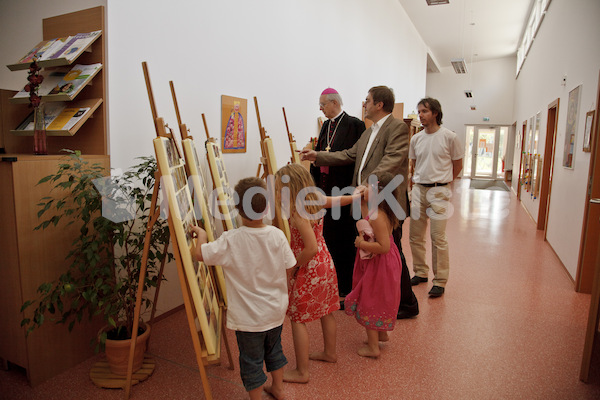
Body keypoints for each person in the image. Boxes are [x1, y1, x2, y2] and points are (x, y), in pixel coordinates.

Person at [300, 85, 419, 319]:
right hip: (367, 201)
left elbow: (392, 160)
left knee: (392, 251)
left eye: (367, 100)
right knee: (372, 254)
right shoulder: (368, 131)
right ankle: (371, 298)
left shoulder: (396, 128)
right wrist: (318, 156)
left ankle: (407, 302)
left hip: (386, 202)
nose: (364, 104)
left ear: (379, 104)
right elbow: (349, 155)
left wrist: (367, 182)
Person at [191, 177, 296, 400]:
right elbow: (290, 266)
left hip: (249, 318)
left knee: (251, 360)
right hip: (275, 312)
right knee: (275, 351)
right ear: (266, 206)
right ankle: (278, 388)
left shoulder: (231, 240)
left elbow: (199, 254)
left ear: (238, 209)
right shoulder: (277, 235)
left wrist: (200, 236)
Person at [274, 163, 362, 383]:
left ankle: (302, 372)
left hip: (308, 267)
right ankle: (329, 353)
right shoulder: (315, 199)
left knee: (297, 318)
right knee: (326, 310)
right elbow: (340, 200)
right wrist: (356, 195)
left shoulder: (297, 213)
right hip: (325, 263)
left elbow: (310, 247)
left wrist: (294, 267)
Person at [311, 88, 365, 302]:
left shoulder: (355, 125)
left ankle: (346, 284)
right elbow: (321, 150)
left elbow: (355, 157)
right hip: (326, 189)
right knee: (329, 237)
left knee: (345, 237)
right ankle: (331, 281)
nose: (321, 108)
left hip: (343, 188)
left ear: (334, 102)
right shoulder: (326, 125)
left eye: (323, 104)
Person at [408, 97, 464, 297]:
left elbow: (458, 165)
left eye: (424, 111)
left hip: (439, 190)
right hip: (419, 189)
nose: (420, 115)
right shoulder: (416, 139)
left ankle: (440, 280)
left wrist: (445, 182)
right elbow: (414, 164)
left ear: (435, 113)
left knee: (437, 236)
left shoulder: (449, 137)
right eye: (419, 111)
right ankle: (420, 272)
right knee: (415, 235)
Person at [345, 172, 402, 358]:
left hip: (380, 263)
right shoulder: (380, 211)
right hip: (384, 263)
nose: (364, 188)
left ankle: (373, 347)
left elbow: (383, 247)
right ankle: (382, 333)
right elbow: (365, 219)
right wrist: (361, 199)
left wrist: (362, 244)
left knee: (370, 299)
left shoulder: (378, 216)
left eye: (367, 186)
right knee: (380, 297)